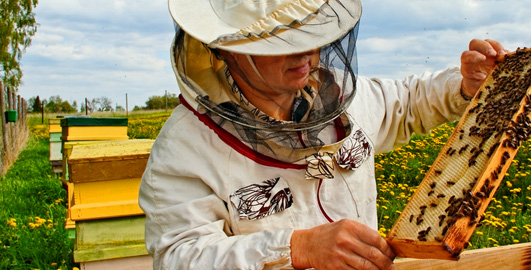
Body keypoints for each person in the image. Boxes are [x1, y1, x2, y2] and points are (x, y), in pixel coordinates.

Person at [138, 0, 507, 269]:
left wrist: (464, 85)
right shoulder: (183, 151)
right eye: (279, 41)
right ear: (226, 50)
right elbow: (180, 256)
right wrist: (295, 247)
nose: (305, 54)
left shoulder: (340, 98)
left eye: (308, 32)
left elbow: (407, 103)